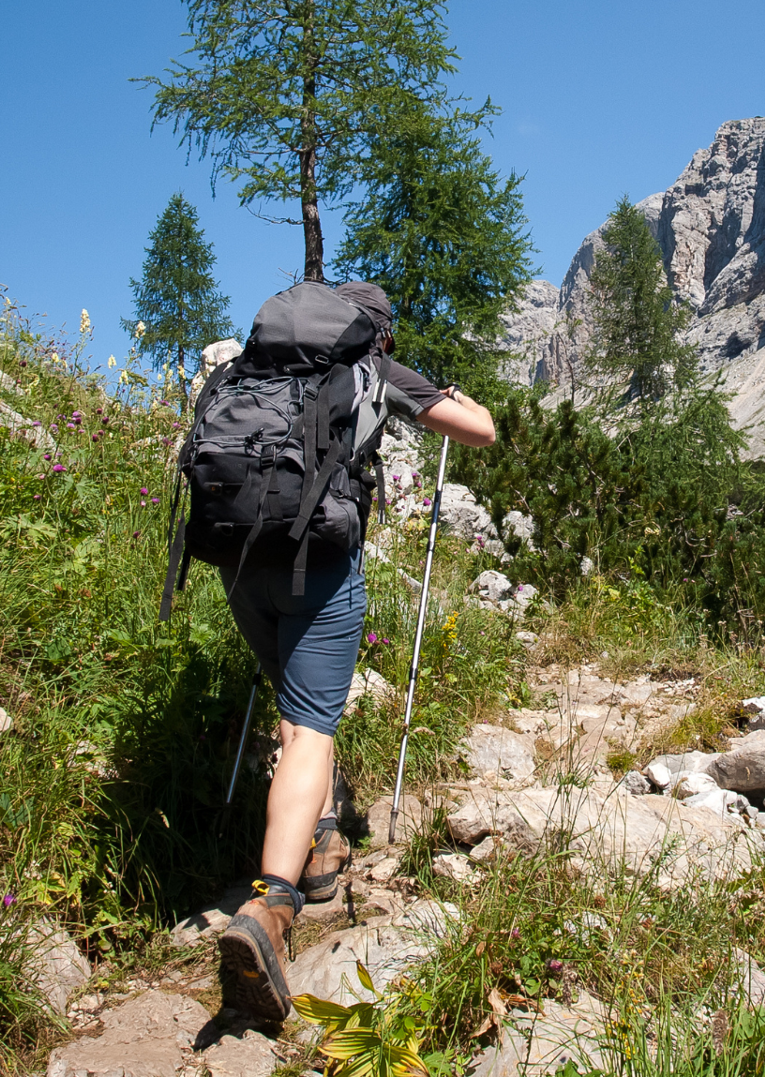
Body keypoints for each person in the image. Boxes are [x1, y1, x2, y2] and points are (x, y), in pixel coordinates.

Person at [215, 280, 494, 1024]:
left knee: (292, 704)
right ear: (378, 332)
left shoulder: (260, 365)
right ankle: (272, 908)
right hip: (319, 565)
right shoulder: (374, 367)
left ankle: (324, 840)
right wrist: (452, 396)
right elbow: (482, 431)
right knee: (312, 723)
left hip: (238, 560)